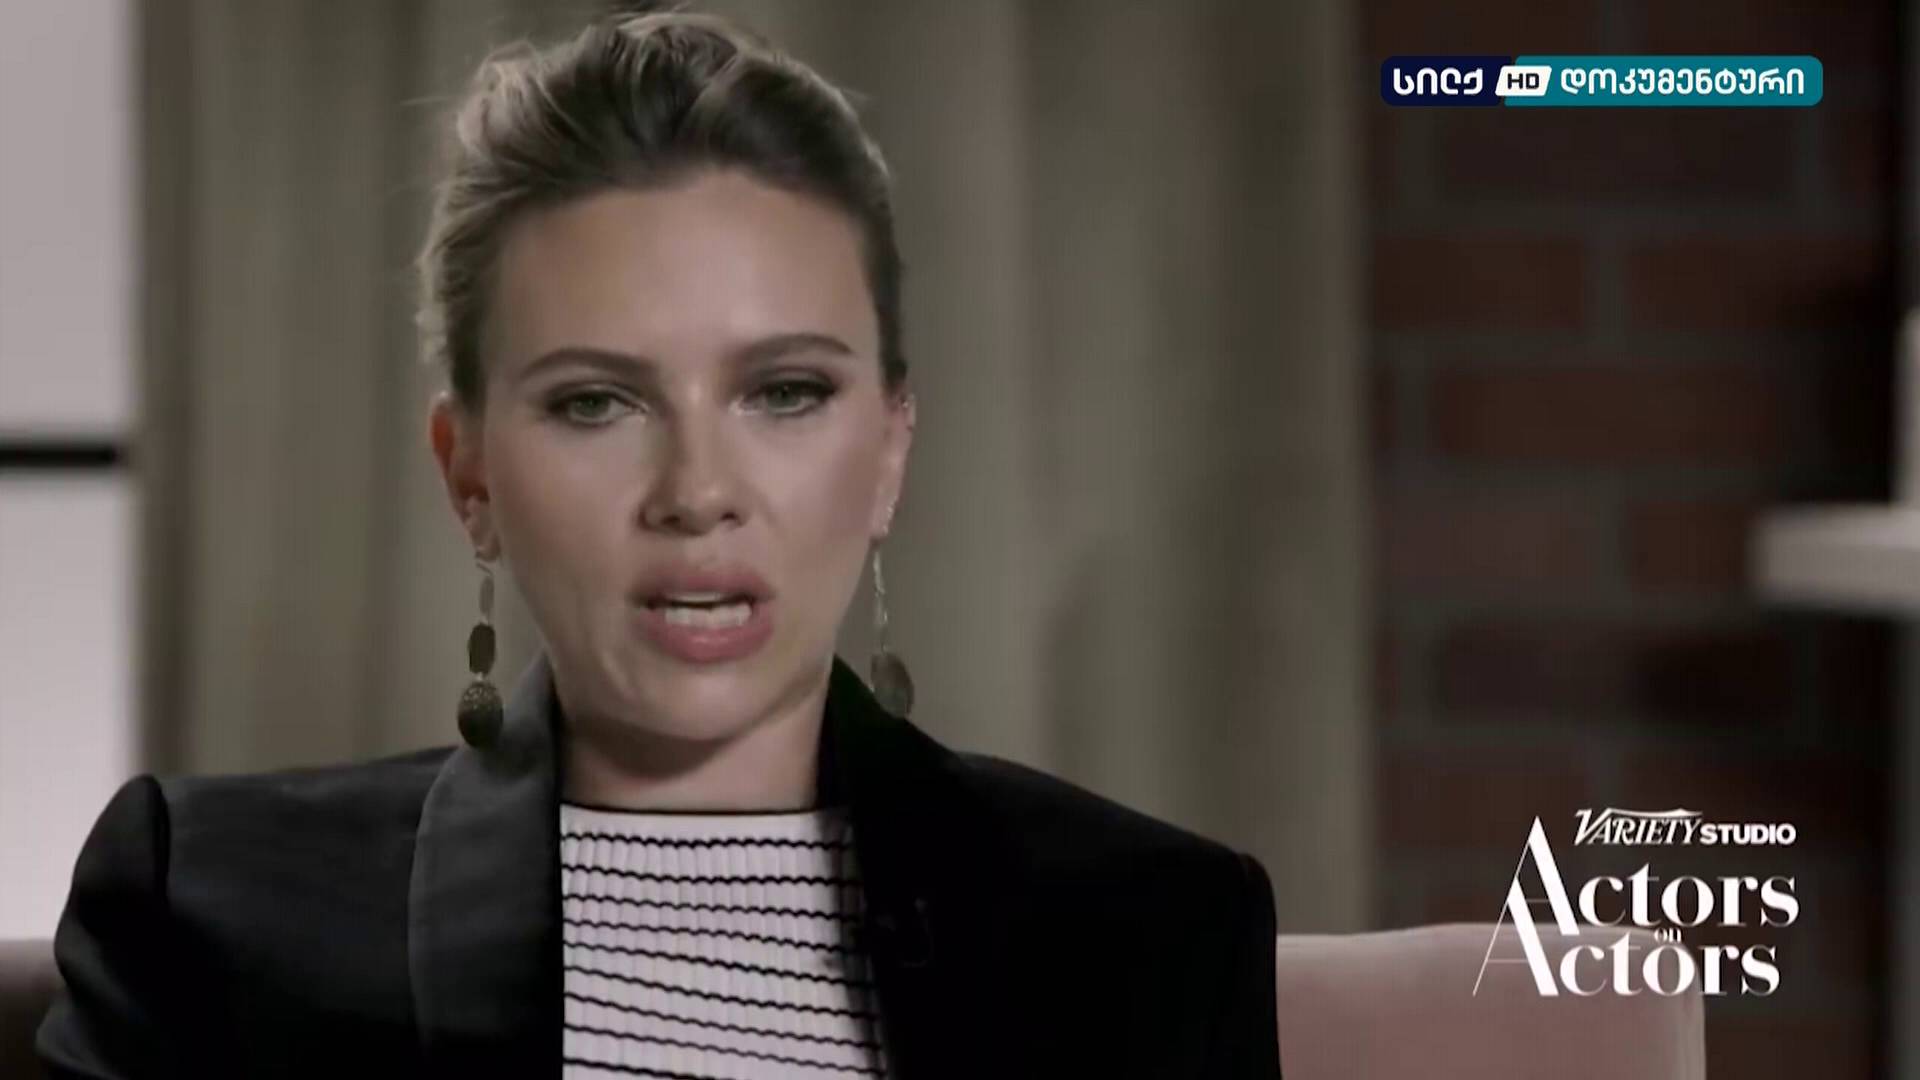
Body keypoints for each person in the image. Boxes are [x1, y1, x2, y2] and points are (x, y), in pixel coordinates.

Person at [37, 10, 1282, 1078]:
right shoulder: (205, 912)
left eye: (784, 392)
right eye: (598, 403)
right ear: (468, 472)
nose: (697, 493)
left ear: (891, 449)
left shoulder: (1150, 932)